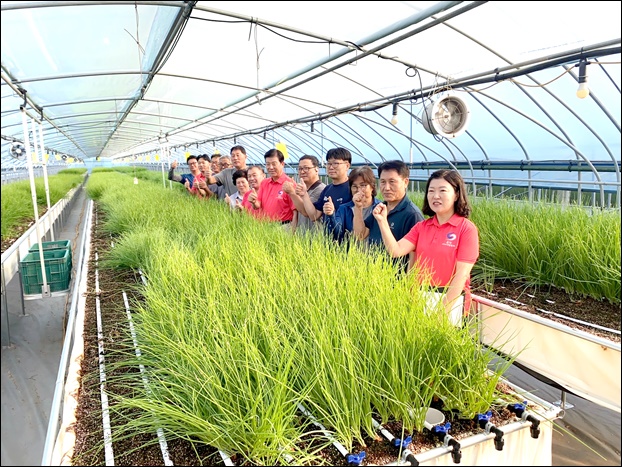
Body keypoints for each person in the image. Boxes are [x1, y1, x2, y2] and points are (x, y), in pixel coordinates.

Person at [371, 169, 479, 325]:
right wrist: (382, 221)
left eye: (442, 190)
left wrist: (443, 310)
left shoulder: (466, 229)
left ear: (456, 194)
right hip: (422, 297)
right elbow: (395, 250)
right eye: (431, 191)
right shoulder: (422, 227)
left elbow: (461, 275)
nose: (435, 196)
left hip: (451, 301)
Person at [353, 160, 424, 272]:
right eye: (383, 182)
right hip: (373, 274)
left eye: (392, 182)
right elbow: (360, 235)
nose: (386, 188)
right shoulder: (380, 208)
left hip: (395, 278)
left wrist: (409, 281)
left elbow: (415, 255)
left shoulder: (412, 214)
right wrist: (358, 208)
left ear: (405, 182)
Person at [324, 166, 381, 243]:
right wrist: (331, 215)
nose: (359, 190)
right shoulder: (344, 209)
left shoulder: (380, 207)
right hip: (350, 250)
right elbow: (336, 234)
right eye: (354, 186)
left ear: (372, 187)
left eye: (363, 185)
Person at [298, 148, 352, 226]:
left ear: (347, 166)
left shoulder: (353, 188)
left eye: (335, 163)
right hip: (329, 233)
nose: (331, 167)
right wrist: (304, 194)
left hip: (349, 233)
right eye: (329, 164)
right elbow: (314, 216)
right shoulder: (327, 189)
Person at [246, 149, 297, 226]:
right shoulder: (264, 183)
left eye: (274, 164)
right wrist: (253, 202)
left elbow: (295, 210)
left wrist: (293, 228)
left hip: (284, 225)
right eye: (268, 164)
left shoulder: (289, 184)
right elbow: (257, 205)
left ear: (282, 164)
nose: (271, 167)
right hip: (266, 225)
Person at [283, 155, 326, 235]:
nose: (302, 172)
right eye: (300, 169)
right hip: (302, 236)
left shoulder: (321, 189)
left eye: (306, 168)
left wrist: (292, 192)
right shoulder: (303, 189)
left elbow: (306, 212)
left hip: (314, 237)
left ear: (316, 169)